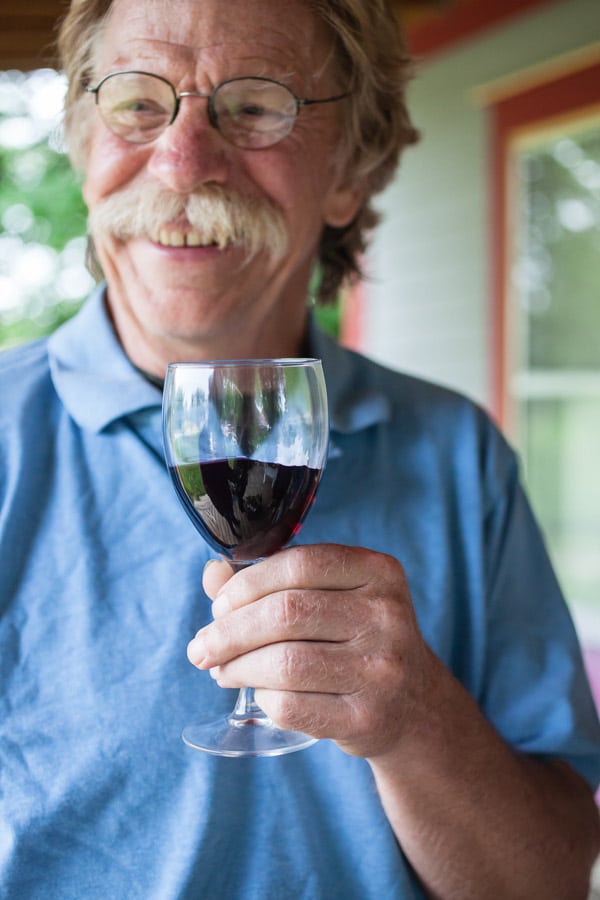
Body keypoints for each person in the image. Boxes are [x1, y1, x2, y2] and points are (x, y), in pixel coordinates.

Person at [1, 0, 599, 897]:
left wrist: (417, 726)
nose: (183, 158)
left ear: (350, 172)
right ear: (86, 144)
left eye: (253, 105)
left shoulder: (456, 451)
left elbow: (550, 881)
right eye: (135, 103)